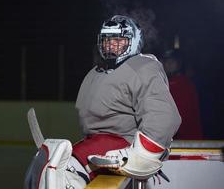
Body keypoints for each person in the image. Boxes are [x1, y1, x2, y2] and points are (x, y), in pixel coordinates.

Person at [25, 15, 181, 189]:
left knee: (63, 174)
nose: (111, 45)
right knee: (48, 172)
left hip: (122, 145)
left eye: (118, 40)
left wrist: (144, 155)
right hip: (97, 146)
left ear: (134, 41)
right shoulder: (97, 72)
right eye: (107, 40)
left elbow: (163, 116)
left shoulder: (142, 66)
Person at [160, 49, 203, 139]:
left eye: (172, 61)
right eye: (166, 61)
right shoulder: (160, 84)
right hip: (166, 139)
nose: (169, 64)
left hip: (187, 139)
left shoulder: (186, 84)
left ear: (178, 64)